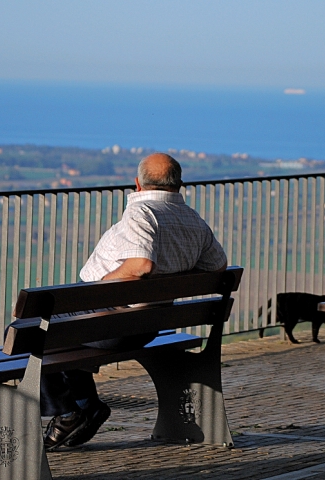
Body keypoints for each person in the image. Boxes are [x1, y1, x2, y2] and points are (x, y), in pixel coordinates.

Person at [40, 153, 227, 450]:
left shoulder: (143, 213)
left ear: (138, 184)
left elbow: (140, 265)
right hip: (150, 323)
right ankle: (84, 404)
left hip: (118, 325)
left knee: (39, 326)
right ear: (179, 185)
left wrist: (97, 291)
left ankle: (69, 411)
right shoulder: (193, 219)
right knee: (66, 328)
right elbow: (218, 267)